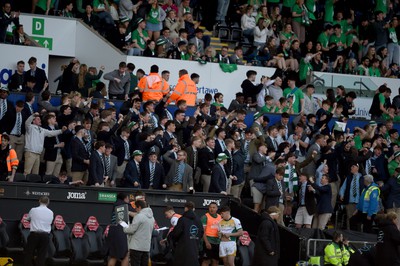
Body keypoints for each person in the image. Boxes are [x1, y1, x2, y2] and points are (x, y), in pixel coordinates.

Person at [170, 201, 204, 266]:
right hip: (194, 250)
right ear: (194, 209)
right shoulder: (198, 221)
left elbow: (176, 233)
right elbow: (201, 233)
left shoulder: (182, 219)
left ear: (186, 208)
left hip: (182, 251)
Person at [107, 192, 136, 266]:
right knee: (126, 255)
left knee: (113, 256)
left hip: (112, 231)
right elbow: (137, 214)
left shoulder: (115, 204)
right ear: (126, 198)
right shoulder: (125, 205)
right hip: (121, 232)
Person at [24, 196, 54, 266]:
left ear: (39, 201)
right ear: (48, 202)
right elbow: (50, 222)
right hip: (45, 236)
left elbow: (27, 219)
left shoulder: (33, 210)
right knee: (42, 255)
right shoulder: (51, 212)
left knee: (29, 253)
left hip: (34, 234)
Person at [123, 200, 155, 266]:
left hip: (136, 247)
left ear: (139, 207)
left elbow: (131, 230)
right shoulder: (152, 218)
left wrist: (125, 228)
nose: (135, 210)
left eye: (136, 208)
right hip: (146, 247)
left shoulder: (139, 216)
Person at [201, 202, 222, 266]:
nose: (211, 209)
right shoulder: (205, 217)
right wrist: (206, 242)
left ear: (217, 209)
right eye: (210, 207)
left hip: (217, 242)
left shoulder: (220, 217)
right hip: (208, 241)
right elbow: (202, 231)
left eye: (213, 207)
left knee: (215, 261)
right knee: (206, 261)